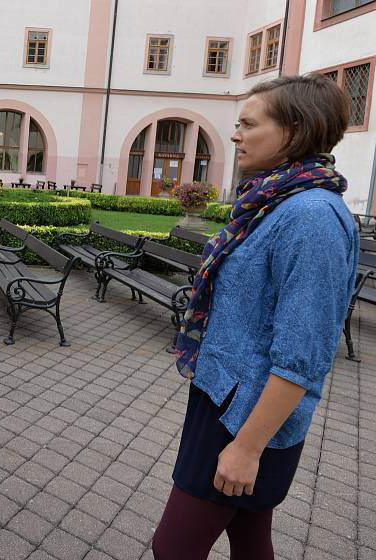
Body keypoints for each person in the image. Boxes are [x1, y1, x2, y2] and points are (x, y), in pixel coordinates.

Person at [152, 73, 359, 559]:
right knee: (249, 538)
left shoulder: (310, 217)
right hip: (225, 394)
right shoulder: (274, 200)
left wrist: (246, 448)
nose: (236, 134)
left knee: (173, 549)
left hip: (246, 416)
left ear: (295, 130)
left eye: (249, 123)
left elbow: (304, 357)